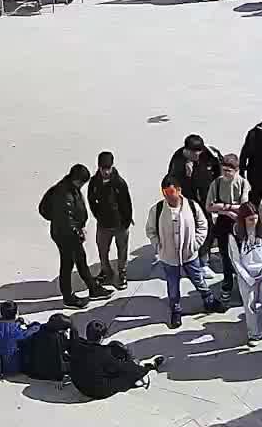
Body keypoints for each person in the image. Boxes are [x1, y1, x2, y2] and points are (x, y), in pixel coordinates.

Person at [146, 175, 221, 328]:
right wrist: (158, 246)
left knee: (198, 279)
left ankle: (209, 301)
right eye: (165, 193)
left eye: (171, 192)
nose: (168, 196)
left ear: (179, 190)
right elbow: (151, 231)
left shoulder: (192, 206)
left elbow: (203, 225)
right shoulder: (158, 209)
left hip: (190, 255)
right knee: (172, 286)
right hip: (168, 258)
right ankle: (176, 311)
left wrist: (195, 244)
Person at [40, 163, 110, 308]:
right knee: (67, 265)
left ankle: (93, 288)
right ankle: (68, 298)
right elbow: (66, 220)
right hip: (66, 235)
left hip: (69, 233)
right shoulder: (63, 194)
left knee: (80, 260)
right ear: (76, 179)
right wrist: (78, 233)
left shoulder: (69, 188)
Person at [227, 204, 262, 343]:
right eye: (250, 220)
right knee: (250, 305)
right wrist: (248, 278)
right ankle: (254, 333)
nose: (254, 222)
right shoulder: (234, 234)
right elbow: (235, 260)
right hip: (246, 275)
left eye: (255, 218)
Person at [70, 319, 164, 401]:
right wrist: (141, 369)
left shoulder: (76, 344)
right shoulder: (104, 354)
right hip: (95, 391)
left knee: (112, 351)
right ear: (101, 337)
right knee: (125, 376)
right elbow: (125, 369)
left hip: (79, 385)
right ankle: (149, 369)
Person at [87, 151, 134, 290]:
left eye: (108, 168)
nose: (106, 171)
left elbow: (127, 203)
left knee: (122, 250)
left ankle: (122, 272)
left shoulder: (119, 183)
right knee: (102, 250)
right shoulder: (94, 182)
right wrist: (98, 216)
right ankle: (106, 271)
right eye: (103, 168)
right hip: (103, 225)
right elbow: (91, 201)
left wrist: (126, 221)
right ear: (99, 167)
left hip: (120, 225)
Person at [206, 153, 248, 299]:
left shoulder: (242, 183)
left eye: (228, 171)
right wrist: (229, 210)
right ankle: (227, 282)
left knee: (241, 254)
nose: (225, 174)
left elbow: (243, 206)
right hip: (223, 222)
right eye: (223, 170)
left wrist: (222, 206)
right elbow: (209, 206)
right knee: (225, 254)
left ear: (236, 170)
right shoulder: (216, 183)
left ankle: (242, 281)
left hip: (238, 222)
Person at [164, 134, 221, 211]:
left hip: (207, 189)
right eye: (194, 155)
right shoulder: (177, 160)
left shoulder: (208, 153)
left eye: (199, 154)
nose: (197, 157)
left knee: (207, 213)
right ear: (187, 150)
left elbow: (218, 167)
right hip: (188, 193)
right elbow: (172, 180)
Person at [0, 301, 33, 377]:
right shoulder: (20, 331)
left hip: (0, 366)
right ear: (16, 313)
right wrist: (30, 324)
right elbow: (35, 329)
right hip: (19, 367)